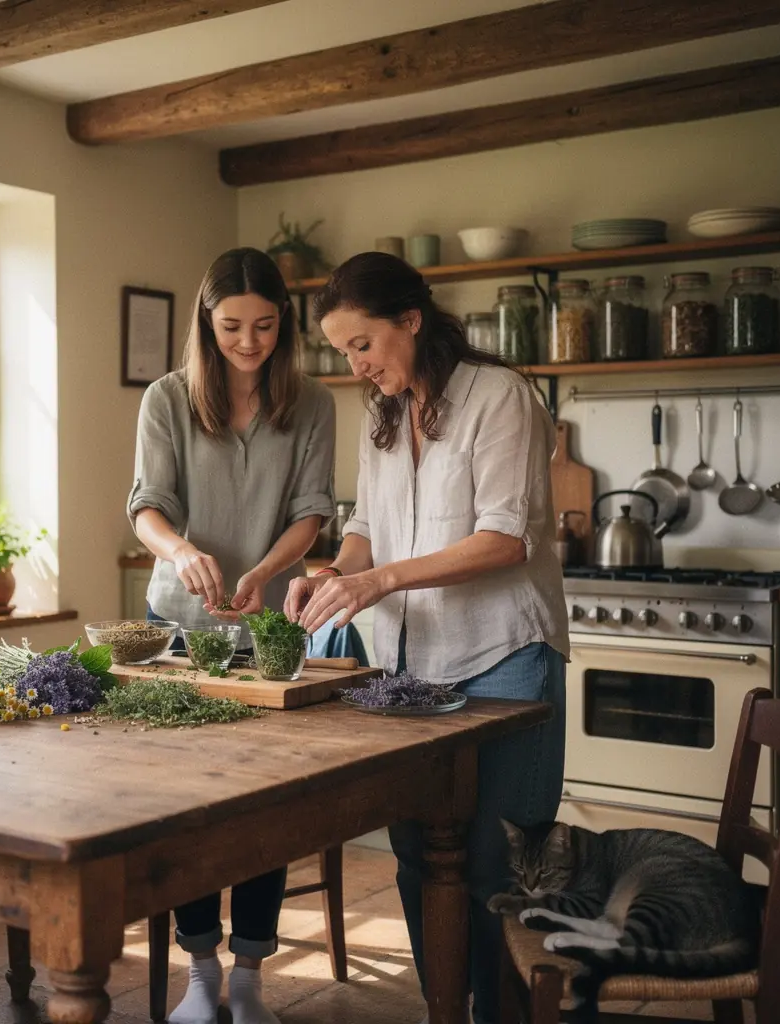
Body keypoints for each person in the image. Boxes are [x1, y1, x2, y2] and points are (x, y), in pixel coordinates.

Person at [283, 252, 569, 1024]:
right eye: (344, 351)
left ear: (411, 320)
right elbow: (366, 532)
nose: (356, 365)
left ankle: (501, 1013)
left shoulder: (498, 396)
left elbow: (504, 540)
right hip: (410, 667)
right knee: (417, 855)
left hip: (504, 655)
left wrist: (375, 584)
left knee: (493, 866)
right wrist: (329, 574)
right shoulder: (382, 416)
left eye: (364, 345)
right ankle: (451, 1006)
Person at [128, 246, 336, 1024]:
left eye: (265, 326)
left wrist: (267, 573)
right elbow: (146, 506)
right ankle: (201, 975)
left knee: (263, 807)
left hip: (271, 627)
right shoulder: (167, 399)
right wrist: (182, 551)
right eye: (231, 327)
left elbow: (312, 512)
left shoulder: (312, 403)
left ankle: (247, 975)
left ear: (286, 323)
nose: (249, 342)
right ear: (206, 323)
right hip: (177, 628)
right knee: (186, 805)